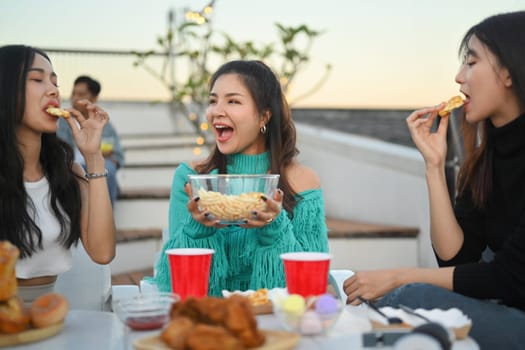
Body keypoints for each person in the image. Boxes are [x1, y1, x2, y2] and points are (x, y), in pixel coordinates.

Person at [342, 11, 525, 349]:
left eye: (471, 62)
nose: (459, 77)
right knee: (407, 304)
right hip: (506, 311)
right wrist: (433, 166)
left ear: (509, 71)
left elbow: (509, 279)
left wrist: (400, 275)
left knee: (413, 296)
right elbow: (456, 260)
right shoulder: (487, 156)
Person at [153, 60, 329, 296]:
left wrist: (274, 228)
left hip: (276, 320)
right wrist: (197, 229)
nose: (216, 111)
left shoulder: (302, 181)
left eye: (233, 101)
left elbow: (311, 283)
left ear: (264, 116)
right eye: (213, 101)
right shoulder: (192, 177)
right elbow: (173, 285)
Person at [0, 45, 116, 304]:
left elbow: (103, 252)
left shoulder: (66, 171)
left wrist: (93, 157)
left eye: (54, 82)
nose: (53, 90)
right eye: (37, 79)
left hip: (49, 316)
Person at [57, 75, 124, 207]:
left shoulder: (103, 123)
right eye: (73, 93)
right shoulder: (62, 121)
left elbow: (118, 156)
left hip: (96, 165)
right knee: (73, 171)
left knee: (107, 169)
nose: (74, 98)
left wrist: (100, 156)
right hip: (70, 166)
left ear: (94, 98)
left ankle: (105, 219)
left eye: (80, 94)